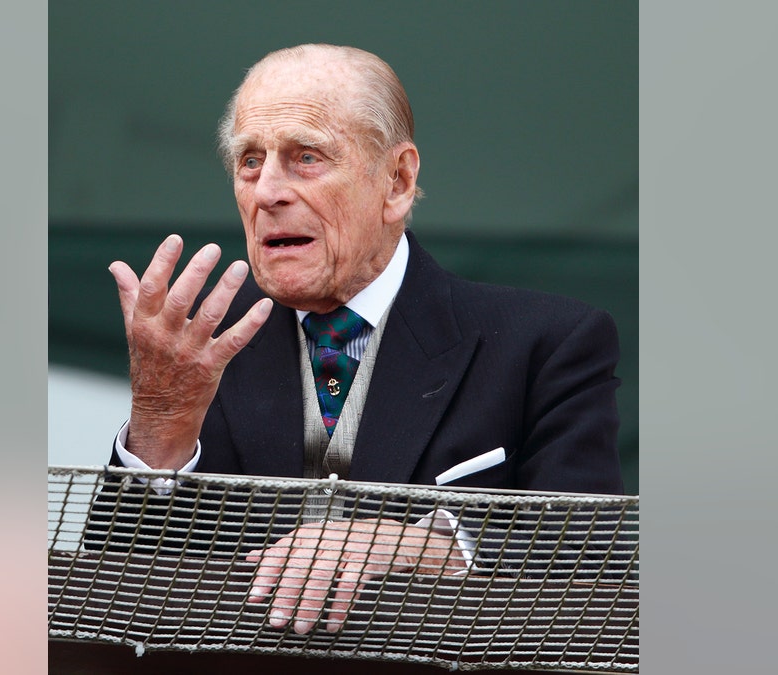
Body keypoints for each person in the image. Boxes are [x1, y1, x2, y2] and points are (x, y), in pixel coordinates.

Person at [100, 44, 624, 635]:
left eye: (306, 157)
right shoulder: (197, 344)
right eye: (250, 161)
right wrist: (159, 429)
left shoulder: (546, 344)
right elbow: (108, 598)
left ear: (397, 181)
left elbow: (589, 572)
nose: (267, 192)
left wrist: (430, 546)